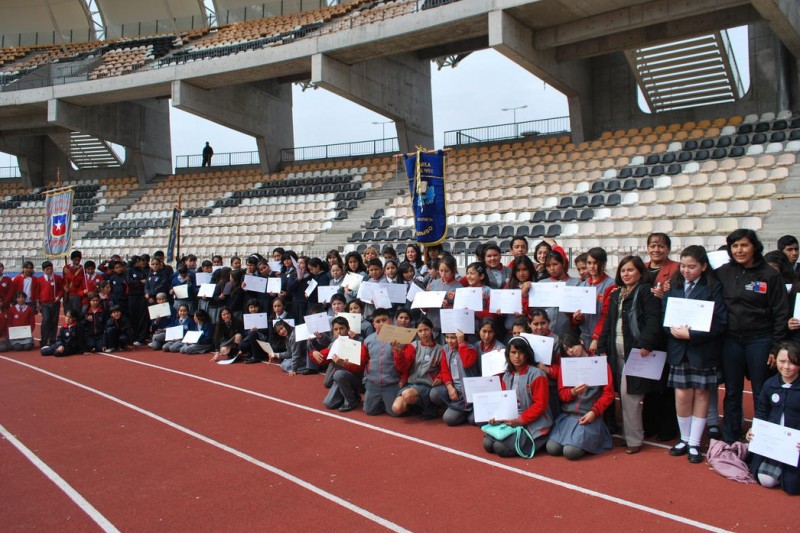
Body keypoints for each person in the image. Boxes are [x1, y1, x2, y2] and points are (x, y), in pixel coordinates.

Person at [716, 229, 789, 444]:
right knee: (732, 391)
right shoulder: (723, 272)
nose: (739, 250)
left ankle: (762, 439)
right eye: (735, 246)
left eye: (744, 245)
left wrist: (776, 347)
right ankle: (730, 437)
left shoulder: (770, 275)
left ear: (754, 246)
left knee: (760, 390)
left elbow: (781, 312)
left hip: (761, 340)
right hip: (730, 341)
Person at [662, 246, 728, 463]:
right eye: (683, 266)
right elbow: (665, 315)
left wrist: (691, 334)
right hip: (679, 350)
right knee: (682, 395)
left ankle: (695, 443)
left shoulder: (713, 287)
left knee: (701, 394)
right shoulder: (675, 286)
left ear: (704, 266)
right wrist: (673, 330)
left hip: (703, 349)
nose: (686, 270)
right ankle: (684, 438)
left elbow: (719, 321)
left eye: (692, 266)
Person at [597, 255, 665, 454]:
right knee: (622, 392)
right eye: (623, 270)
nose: (626, 274)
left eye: (630, 270)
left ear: (639, 272)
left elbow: (654, 320)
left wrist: (646, 343)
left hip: (635, 351)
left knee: (630, 395)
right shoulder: (616, 294)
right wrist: (602, 345)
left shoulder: (646, 292)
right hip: (615, 348)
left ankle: (634, 440)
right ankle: (629, 435)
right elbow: (609, 323)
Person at [546, 332, 615, 460]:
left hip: (588, 416)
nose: (571, 351)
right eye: (566, 349)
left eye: (572, 346)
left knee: (570, 452)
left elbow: (608, 394)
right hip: (568, 416)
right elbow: (562, 394)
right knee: (552, 448)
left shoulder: (600, 364)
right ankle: (578, 440)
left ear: (581, 342)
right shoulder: (566, 366)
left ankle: (595, 439)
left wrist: (594, 412)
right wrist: (572, 392)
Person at [482, 336, 552, 458]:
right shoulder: (507, 376)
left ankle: (540, 440)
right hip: (513, 420)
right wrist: (498, 418)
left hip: (534, 422)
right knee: (487, 444)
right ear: (508, 355)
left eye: (521, 352)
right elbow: (504, 403)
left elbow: (540, 405)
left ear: (527, 354)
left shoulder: (537, 375)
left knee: (500, 448)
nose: (517, 356)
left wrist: (520, 420)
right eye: (513, 352)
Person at [746, 341, 800, 495]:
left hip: (795, 445)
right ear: (775, 361)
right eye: (782, 361)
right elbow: (762, 412)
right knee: (765, 480)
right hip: (775, 444)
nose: (786, 367)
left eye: (792, 362)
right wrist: (754, 430)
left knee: (791, 487)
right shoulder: (770, 384)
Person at [363, 308, 413, 416]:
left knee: (396, 414)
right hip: (373, 383)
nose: (381, 324)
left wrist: (398, 352)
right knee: (369, 411)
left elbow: (405, 367)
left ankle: (391, 399)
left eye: (384, 320)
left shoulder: (401, 339)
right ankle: (380, 400)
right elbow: (364, 361)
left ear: (390, 321)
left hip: (392, 382)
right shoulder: (368, 340)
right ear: (374, 324)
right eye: (378, 321)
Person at [393, 318, 443, 418]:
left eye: (426, 329)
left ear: (432, 330)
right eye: (420, 331)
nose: (423, 333)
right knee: (397, 408)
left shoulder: (440, 349)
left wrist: (440, 378)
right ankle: (419, 407)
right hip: (411, 384)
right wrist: (398, 354)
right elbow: (404, 366)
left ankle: (428, 406)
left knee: (407, 395)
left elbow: (444, 369)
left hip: (427, 385)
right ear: (416, 333)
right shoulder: (413, 346)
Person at [429, 330, 478, 425]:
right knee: (434, 393)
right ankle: (457, 408)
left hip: (467, 393)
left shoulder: (471, 349)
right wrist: (449, 387)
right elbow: (445, 370)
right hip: (455, 390)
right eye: (447, 338)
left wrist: (461, 343)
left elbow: (467, 363)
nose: (449, 341)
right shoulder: (445, 349)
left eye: (453, 338)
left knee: (453, 419)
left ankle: (466, 410)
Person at [35, 260, 63, 347]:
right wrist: (38, 302)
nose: (50, 271)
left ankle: (52, 339)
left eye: (51, 269)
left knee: (54, 321)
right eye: (47, 269)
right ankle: (44, 339)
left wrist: (58, 297)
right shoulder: (39, 280)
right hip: (44, 304)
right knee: (46, 320)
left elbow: (61, 289)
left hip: (55, 303)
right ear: (43, 270)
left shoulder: (57, 278)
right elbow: (37, 291)